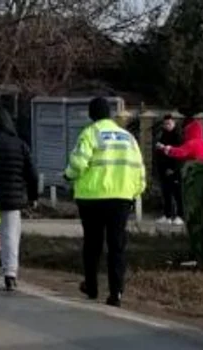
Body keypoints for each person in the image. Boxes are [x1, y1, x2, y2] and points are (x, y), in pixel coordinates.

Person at [63, 97, 145, 308]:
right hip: (121, 198)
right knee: (117, 246)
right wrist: (135, 191)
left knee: (92, 244)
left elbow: (78, 163)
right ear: (109, 114)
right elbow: (139, 168)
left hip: (92, 198)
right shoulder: (128, 137)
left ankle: (91, 287)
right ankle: (116, 292)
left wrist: (68, 175)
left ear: (92, 114)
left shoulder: (90, 133)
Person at [0, 107, 39, 291]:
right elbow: (32, 174)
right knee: (10, 236)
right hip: (12, 199)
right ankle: (10, 275)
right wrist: (33, 195)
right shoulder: (19, 144)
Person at [155, 114, 183, 225]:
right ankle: (167, 215)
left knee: (176, 193)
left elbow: (179, 153)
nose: (167, 126)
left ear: (174, 124)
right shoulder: (163, 135)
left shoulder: (177, 136)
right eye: (165, 124)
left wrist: (173, 168)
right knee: (166, 193)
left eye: (169, 123)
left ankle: (180, 216)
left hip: (173, 170)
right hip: (163, 168)